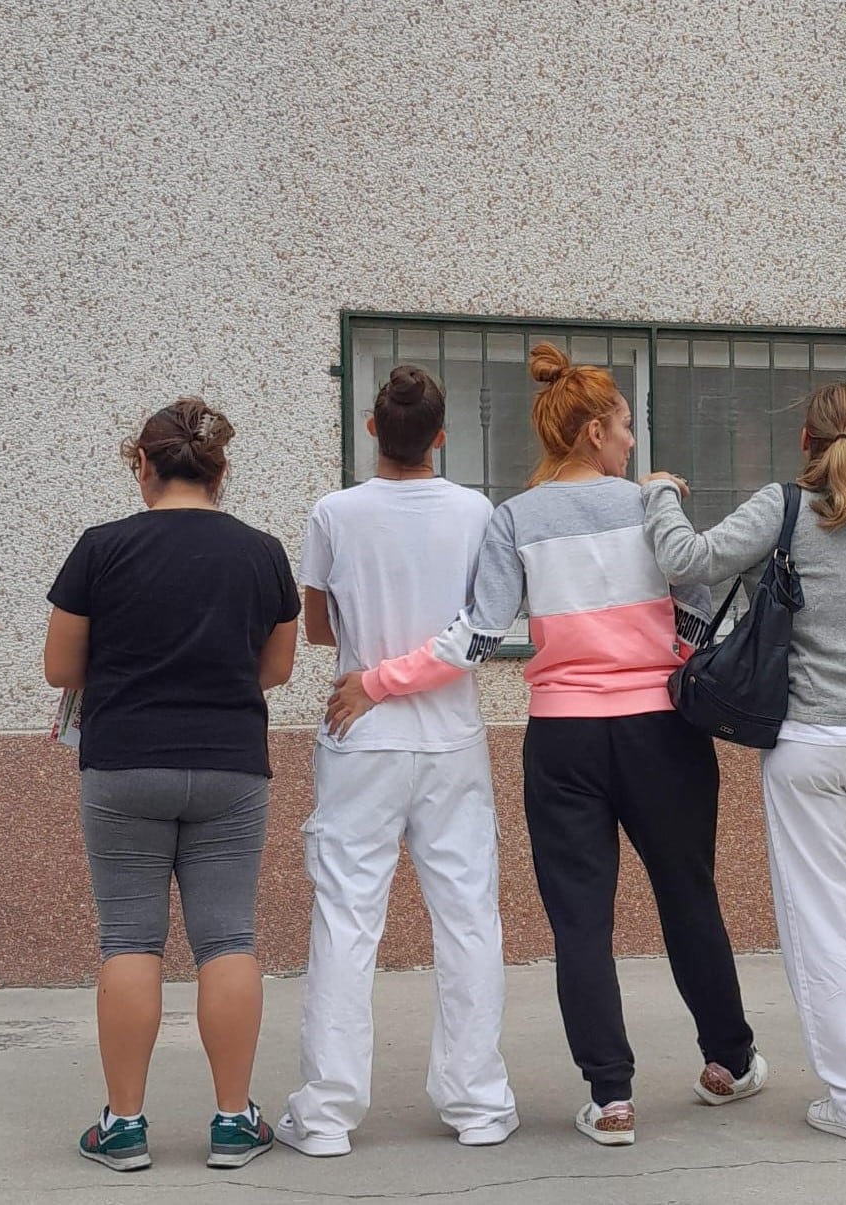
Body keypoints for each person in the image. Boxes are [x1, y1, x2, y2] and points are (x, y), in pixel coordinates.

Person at [325, 343, 766, 1146]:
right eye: (626, 426)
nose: (633, 441)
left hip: (561, 739)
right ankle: (728, 1060)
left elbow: (478, 637)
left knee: (579, 920)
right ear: (595, 430)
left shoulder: (513, 519)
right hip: (660, 735)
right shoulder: (649, 506)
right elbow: (703, 618)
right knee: (687, 892)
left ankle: (610, 1097)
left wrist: (376, 680)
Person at [639, 380, 846, 1144]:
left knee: (820, 919)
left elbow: (684, 556)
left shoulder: (784, 506)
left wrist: (660, 493)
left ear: (804, 440)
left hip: (806, 739)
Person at [44, 398, 299, 1171]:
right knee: (227, 937)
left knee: (128, 937)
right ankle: (231, 1121)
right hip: (228, 763)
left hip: (124, 764)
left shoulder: (101, 548)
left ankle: (123, 1127)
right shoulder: (262, 552)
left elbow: (61, 668)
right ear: (221, 470)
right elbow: (277, 669)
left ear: (143, 464)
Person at [276, 365, 517, 1156]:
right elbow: (480, 629)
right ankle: (478, 1102)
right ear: (440, 437)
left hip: (361, 737)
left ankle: (327, 1115)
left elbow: (318, 630)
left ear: (373, 428)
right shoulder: (477, 511)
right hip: (450, 739)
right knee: (468, 918)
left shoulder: (333, 513)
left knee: (347, 921)